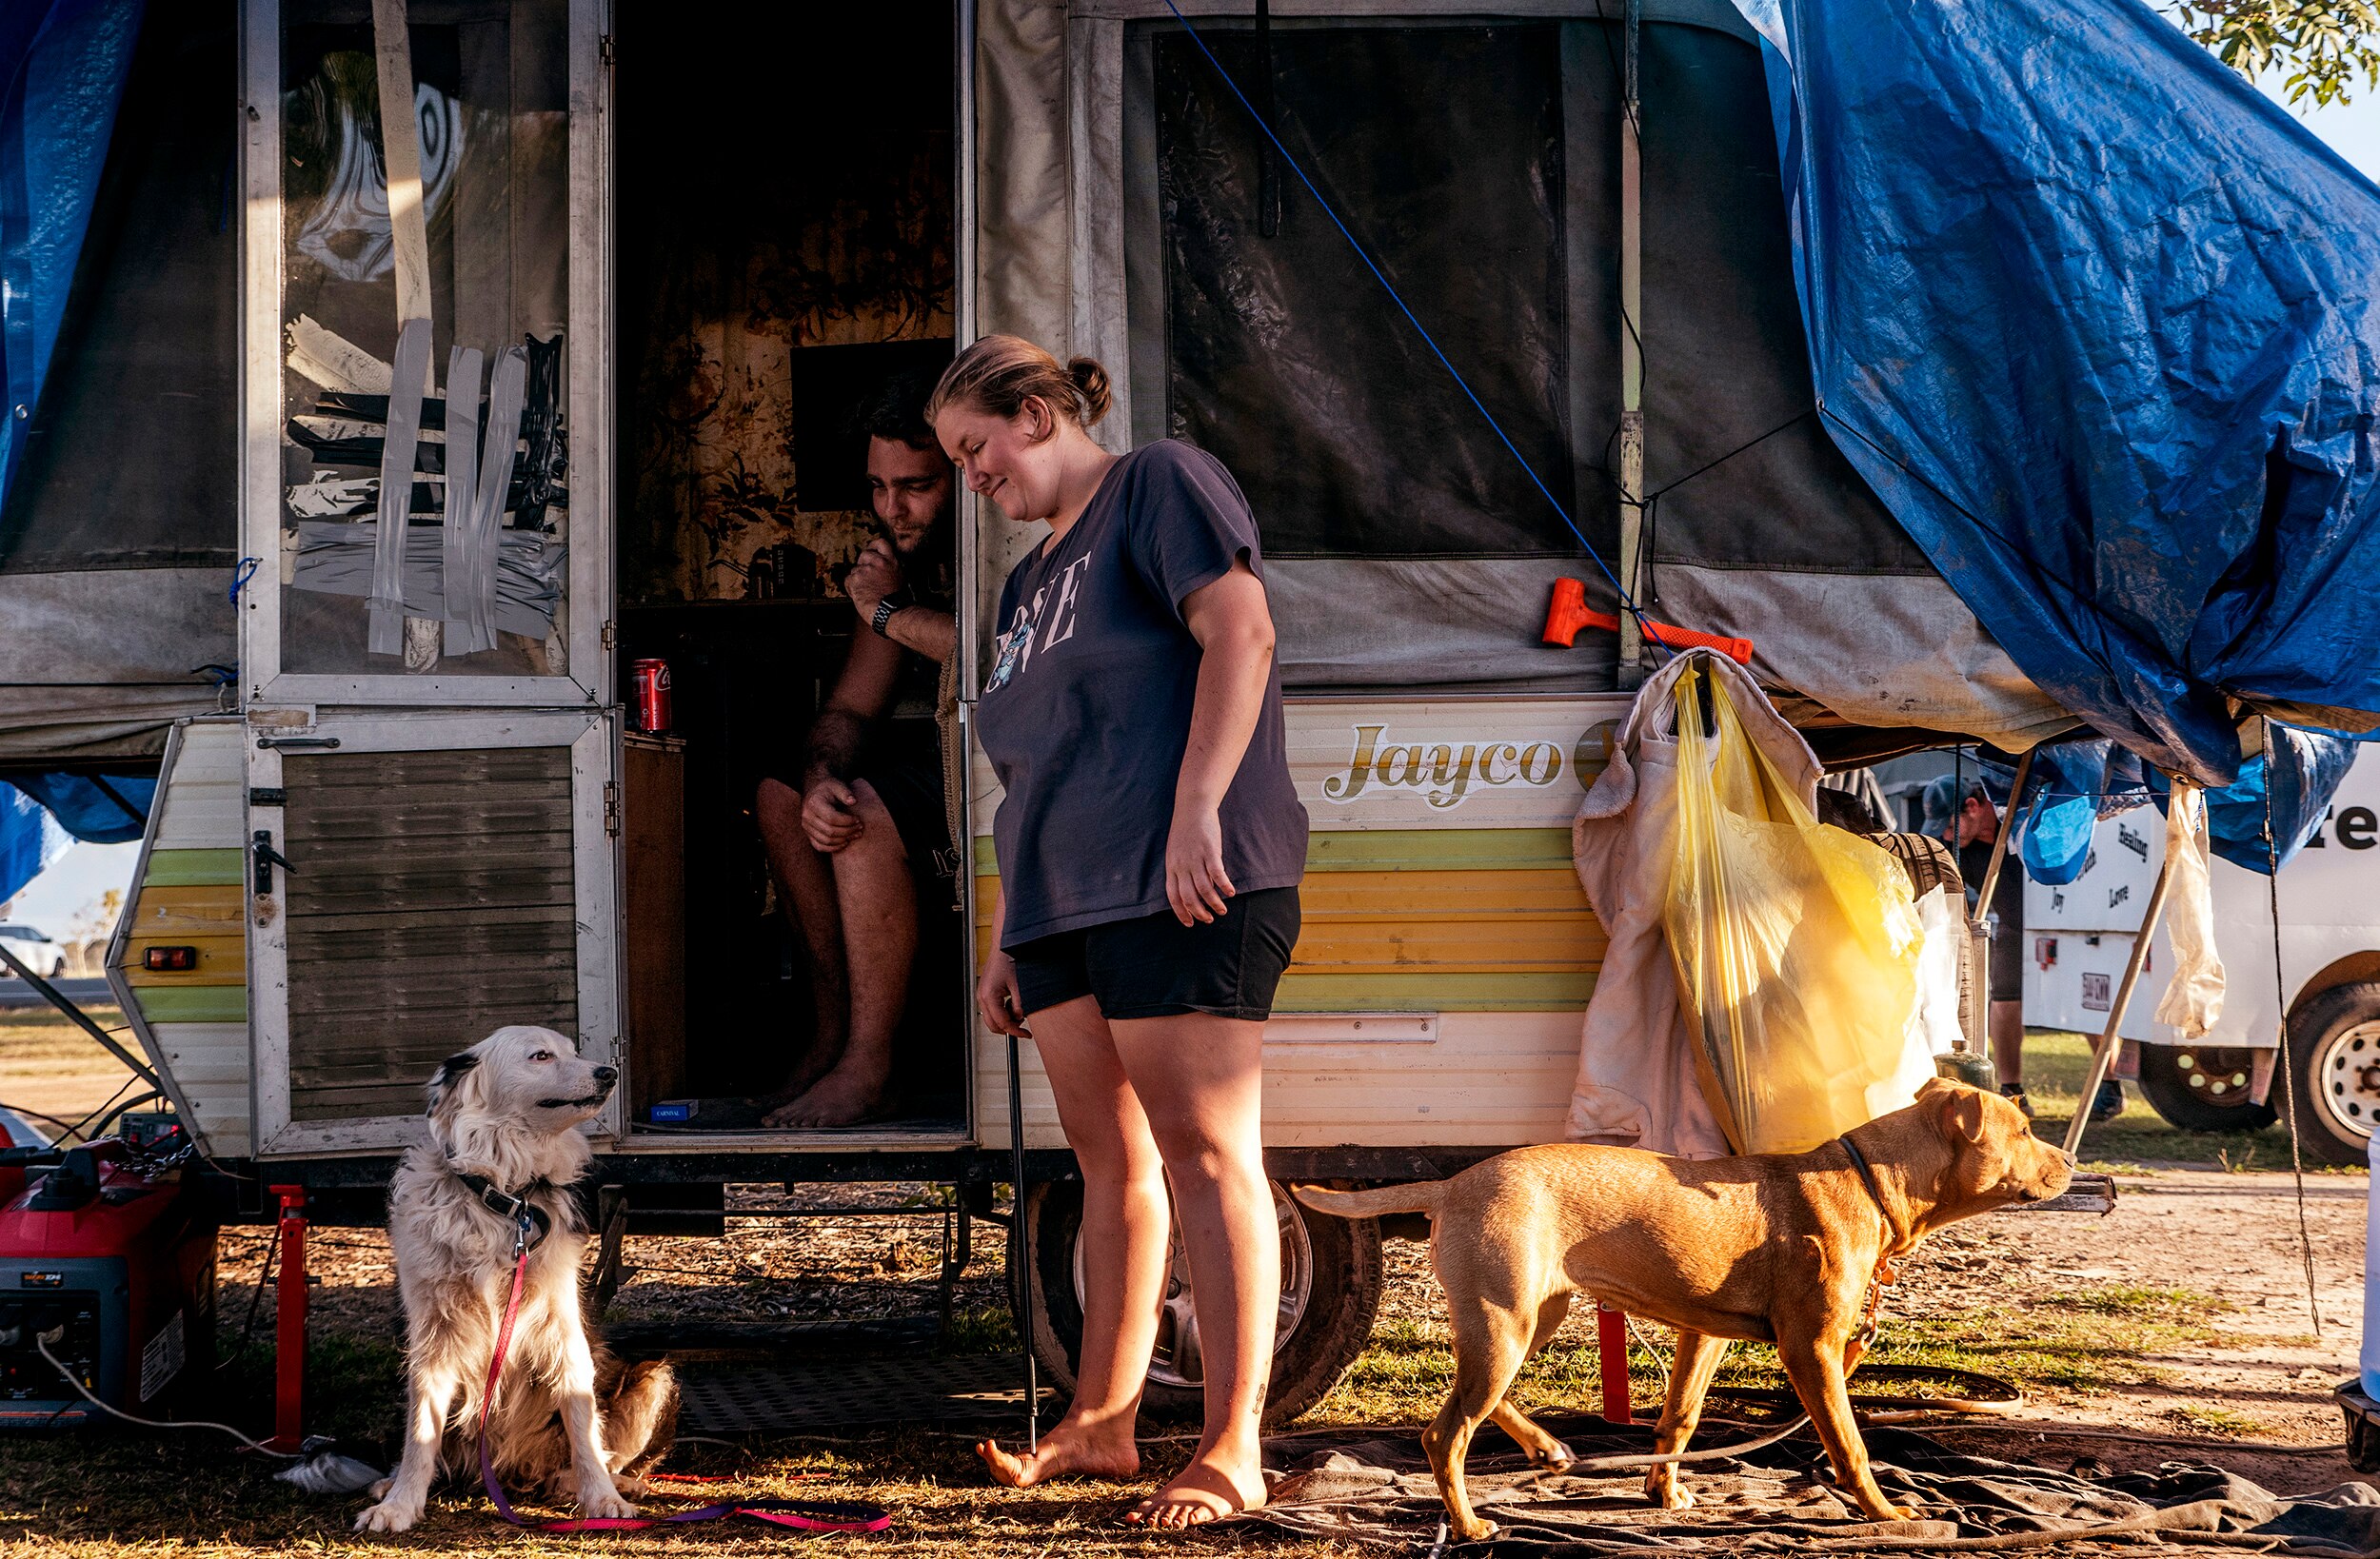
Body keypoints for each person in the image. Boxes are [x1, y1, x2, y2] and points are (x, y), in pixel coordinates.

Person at [932, 335, 1307, 1528]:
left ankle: (1232, 1446)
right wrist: (1007, 931)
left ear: (1038, 412)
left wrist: (1198, 809)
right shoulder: (1023, 585)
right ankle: (1102, 1424)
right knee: (1111, 1164)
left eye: (975, 448)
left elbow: (1239, 634)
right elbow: (1027, 771)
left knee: (1207, 1156)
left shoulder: (1158, 481)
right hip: (1060, 903)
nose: (970, 477)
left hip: (1177, 880)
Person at [752, 373, 958, 1129]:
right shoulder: (895, 562)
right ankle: (834, 1037)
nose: (892, 508)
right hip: (928, 761)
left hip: (1006, 767)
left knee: (866, 817)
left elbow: (998, 658)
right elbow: (849, 707)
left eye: (916, 486)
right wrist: (819, 779)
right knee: (784, 796)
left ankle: (874, 1066)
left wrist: (890, 609)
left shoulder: (996, 545)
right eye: (878, 486)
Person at [1927, 772, 2123, 1126]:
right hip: (2016, 928)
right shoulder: (1960, 851)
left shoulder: (2022, 817)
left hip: (2070, 919)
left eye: (1949, 824)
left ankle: (2109, 1086)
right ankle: (2011, 1089)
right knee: (2003, 1001)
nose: (1943, 834)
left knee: (2088, 999)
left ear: (1973, 805)